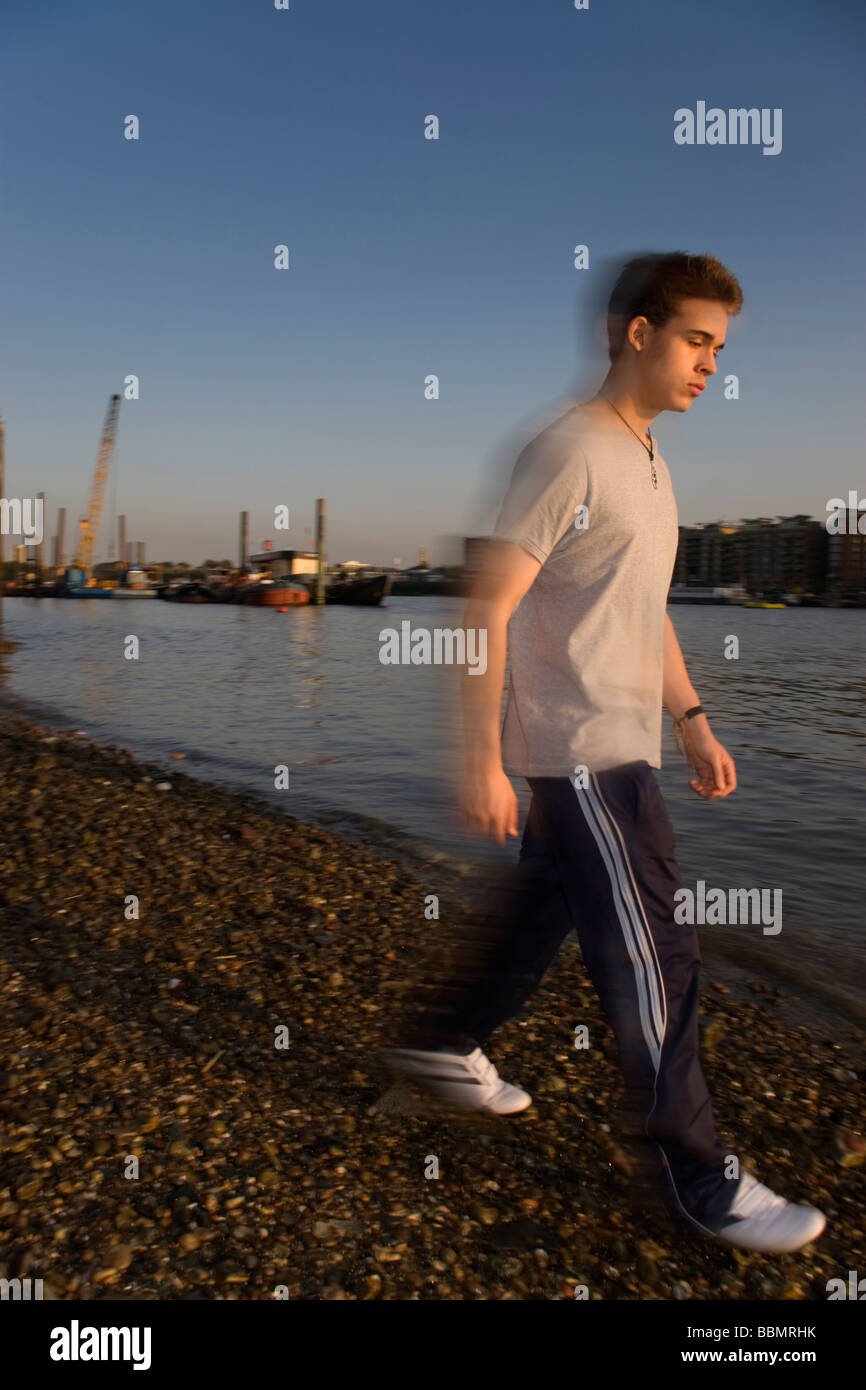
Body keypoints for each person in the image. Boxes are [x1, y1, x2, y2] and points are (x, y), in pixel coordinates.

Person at [382, 252, 826, 1255]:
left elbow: (642, 610)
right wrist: (479, 758)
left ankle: (440, 1041)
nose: (711, 363)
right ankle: (697, 1177)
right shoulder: (568, 450)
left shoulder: (650, 460)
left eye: (719, 346)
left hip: (626, 744)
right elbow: (485, 604)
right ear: (637, 332)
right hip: (578, 754)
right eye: (695, 340)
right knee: (653, 953)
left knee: (543, 911)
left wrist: (693, 718)